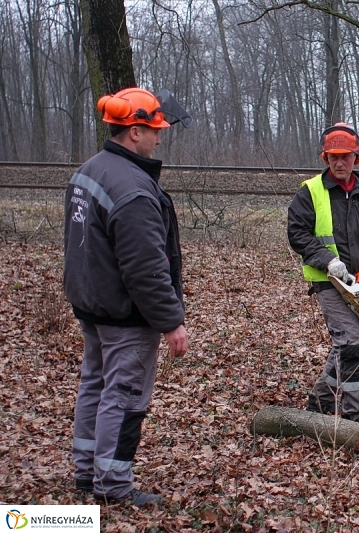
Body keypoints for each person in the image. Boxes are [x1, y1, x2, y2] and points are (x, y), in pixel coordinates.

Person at [63, 87, 191, 506]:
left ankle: (87, 471)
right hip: (124, 312)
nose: (159, 138)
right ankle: (113, 486)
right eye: (155, 131)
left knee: (96, 386)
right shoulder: (133, 189)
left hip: (92, 304)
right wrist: (170, 321)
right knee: (125, 396)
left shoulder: (89, 170)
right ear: (134, 132)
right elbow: (146, 268)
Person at [287, 122, 359, 427]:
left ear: (357, 157)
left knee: (348, 345)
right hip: (330, 281)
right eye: (334, 156)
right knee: (353, 343)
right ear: (326, 158)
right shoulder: (310, 191)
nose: (340, 163)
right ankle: (357, 416)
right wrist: (327, 260)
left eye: (346, 156)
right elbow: (297, 233)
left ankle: (320, 403)